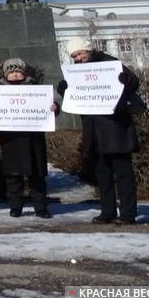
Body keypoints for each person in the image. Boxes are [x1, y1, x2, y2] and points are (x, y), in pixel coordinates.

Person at [59, 38, 141, 225]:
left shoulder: (109, 63)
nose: (78, 58)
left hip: (116, 127)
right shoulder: (76, 72)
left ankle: (128, 214)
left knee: (123, 174)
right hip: (94, 130)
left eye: (80, 53)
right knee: (102, 175)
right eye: (74, 56)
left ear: (87, 50)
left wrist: (125, 80)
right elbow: (77, 97)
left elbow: (134, 82)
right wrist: (65, 90)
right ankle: (108, 211)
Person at [0, 58, 58, 218]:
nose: (15, 75)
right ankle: (15, 207)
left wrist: (54, 108)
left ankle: (41, 208)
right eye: (11, 72)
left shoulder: (36, 89)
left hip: (34, 139)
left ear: (24, 73)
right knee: (13, 176)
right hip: (10, 140)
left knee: (37, 176)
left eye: (18, 72)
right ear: (6, 74)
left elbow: (50, 108)